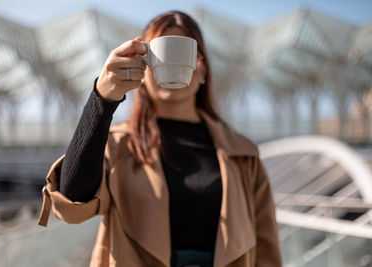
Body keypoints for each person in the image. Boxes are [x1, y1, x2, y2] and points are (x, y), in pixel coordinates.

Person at [38, 10, 282, 267]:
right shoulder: (119, 145)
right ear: (145, 64)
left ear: (202, 68)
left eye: (185, 54)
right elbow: (71, 205)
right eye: (159, 54)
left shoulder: (243, 153)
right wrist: (102, 100)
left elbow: (266, 247)